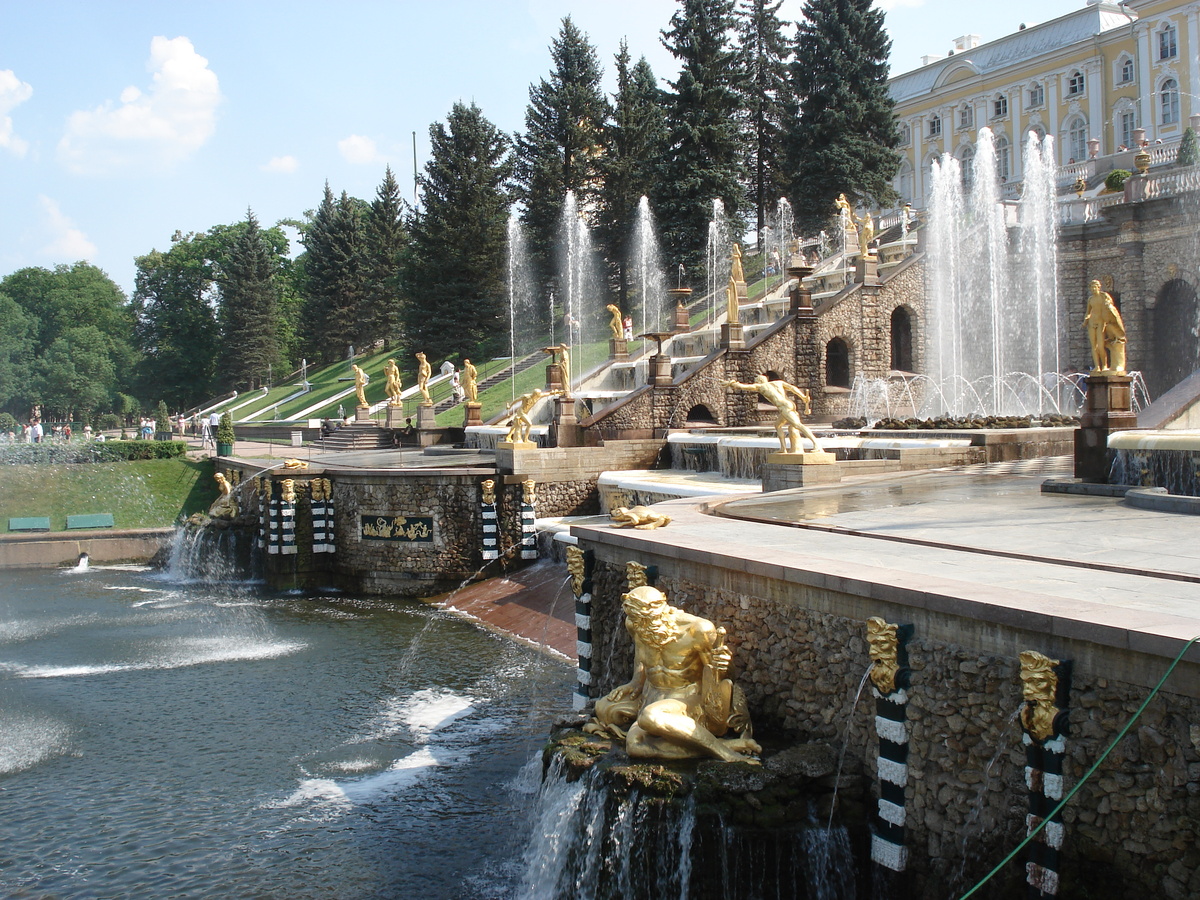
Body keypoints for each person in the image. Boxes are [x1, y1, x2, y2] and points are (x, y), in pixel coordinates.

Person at [585, 585, 760, 764]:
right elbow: (641, 655)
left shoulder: (698, 630)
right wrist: (635, 683)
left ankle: (726, 754)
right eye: (632, 619)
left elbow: (721, 677)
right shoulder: (635, 624)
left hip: (688, 699)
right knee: (621, 730)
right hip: (650, 695)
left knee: (650, 717)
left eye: (639, 619)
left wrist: (725, 664)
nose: (634, 625)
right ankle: (720, 745)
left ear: (654, 612)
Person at [723, 375, 824, 455]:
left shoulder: (760, 386)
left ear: (759, 381)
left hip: (783, 407)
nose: (755, 382)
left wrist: (732, 383)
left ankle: (816, 444)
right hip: (790, 404)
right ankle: (783, 448)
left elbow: (743, 387)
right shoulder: (778, 382)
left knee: (798, 425)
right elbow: (793, 388)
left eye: (756, 380)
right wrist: (803, 397)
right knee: (777, 425)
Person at [1084, 279, 1127, 373]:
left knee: (1100, 346)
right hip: (1092, 323)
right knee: (1093, 346)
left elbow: (1110, 308)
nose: (1093, 289)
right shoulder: (1090, 299)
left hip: (1101, 322)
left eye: (1095, 287)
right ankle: (1097, 366)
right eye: (1091, 287)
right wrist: (1085, 320)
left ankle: (1104, 365)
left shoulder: (1104, 296)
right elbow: (1088, 312)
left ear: (1099, 287)